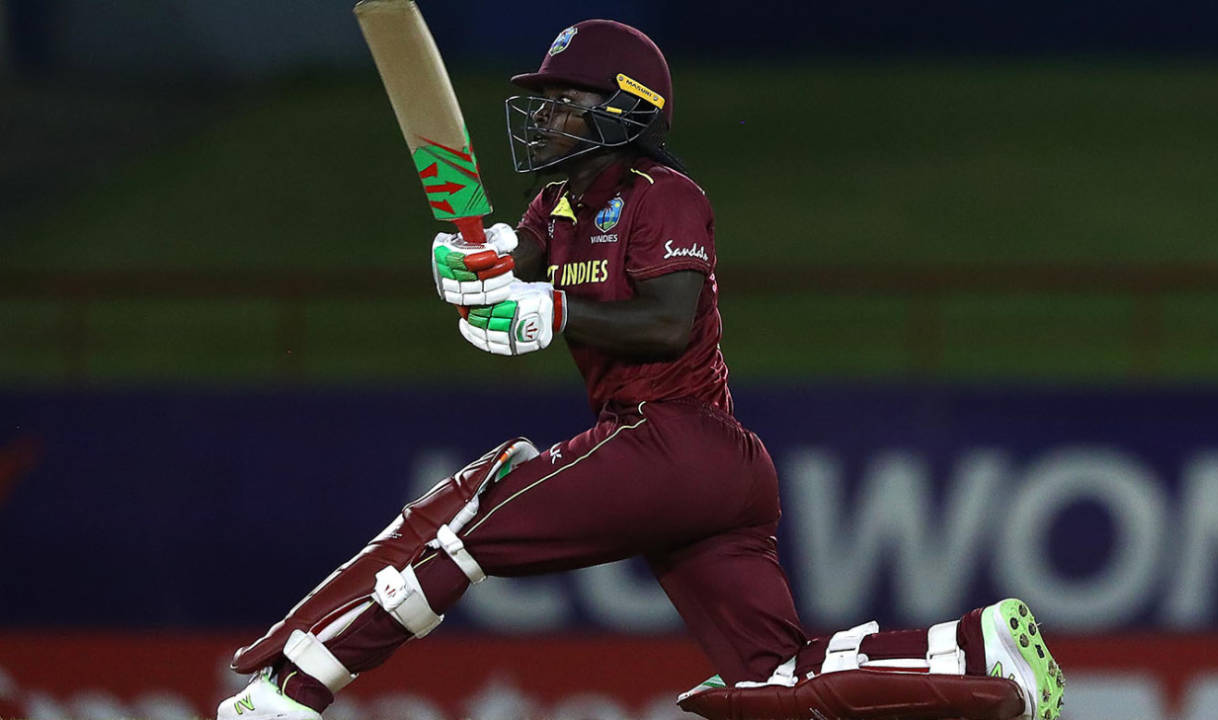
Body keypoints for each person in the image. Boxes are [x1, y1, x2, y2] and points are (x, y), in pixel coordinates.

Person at [216, 20, 1063, 720]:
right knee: (773, 674)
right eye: (539, 101)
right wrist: (472, 268)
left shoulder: (665, 194)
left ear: (625, 109)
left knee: (467, 528)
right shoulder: (552, 205)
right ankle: (981, 653)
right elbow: (512, 279)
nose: (542, 116)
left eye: (562, 102)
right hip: (703, 475)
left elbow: (664, 323)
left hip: (675, 439)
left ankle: (294, 693)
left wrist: (543, 310)